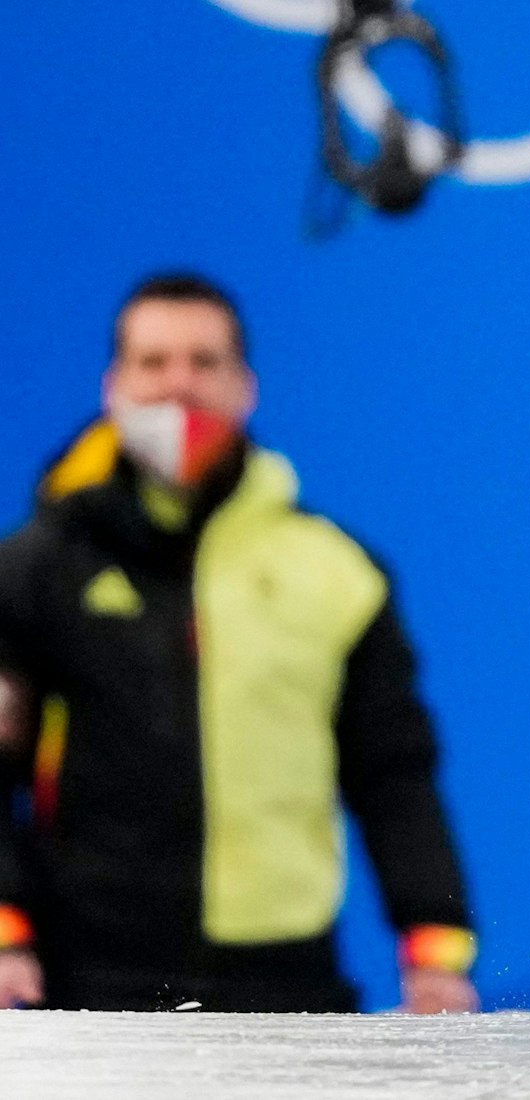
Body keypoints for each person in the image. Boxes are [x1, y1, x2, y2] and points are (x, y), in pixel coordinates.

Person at [0, 274, 477, 1013]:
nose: (179, 385)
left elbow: (393, 772)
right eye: (153, 363)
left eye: (204, 362)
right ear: (113, 386)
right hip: (89, 979)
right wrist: (5, 933)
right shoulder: (39, 568)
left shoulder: (336, 572)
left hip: (288, 978)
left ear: (245, 386)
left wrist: (435, 947)